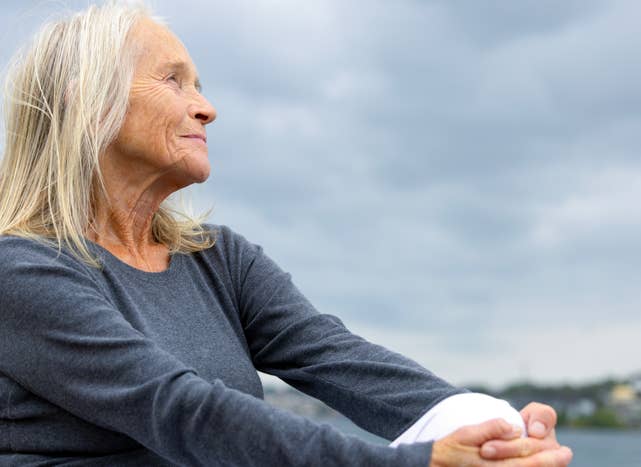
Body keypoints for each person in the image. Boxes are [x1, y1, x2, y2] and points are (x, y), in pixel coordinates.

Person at [0, 3, 573, 466]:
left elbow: (339, 360)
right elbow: (179, 410)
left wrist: (493, 429)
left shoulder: (220, 259)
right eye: (174, 82)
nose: (207, 109)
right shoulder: (20, 271)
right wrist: (419, 464)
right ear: (86, 99)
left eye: (200, 85)